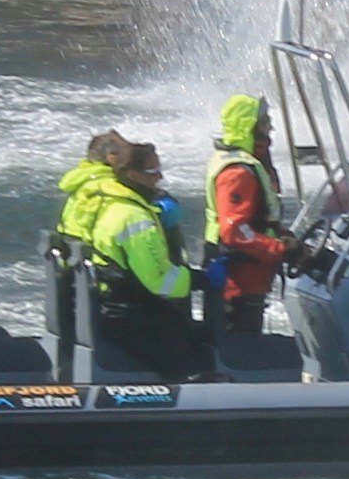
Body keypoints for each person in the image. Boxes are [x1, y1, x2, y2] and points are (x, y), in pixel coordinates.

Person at [60, 129, 206, 381]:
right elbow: (160, 281)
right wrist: (202, 280)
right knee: (191, 356)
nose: (160, 177)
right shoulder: (131, 215)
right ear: (128, 172)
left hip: (93, 301)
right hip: (123, 312)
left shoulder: (89, 196)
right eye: (152, 172)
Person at [205, 93, 288, 342]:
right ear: (249, 126)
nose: (270, 128)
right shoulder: (237, 172)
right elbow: (235, 230)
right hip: (237, 282)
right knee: (239, 350)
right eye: (264, 123)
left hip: (247, 279)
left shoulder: (244, 162)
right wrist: (278, 248)